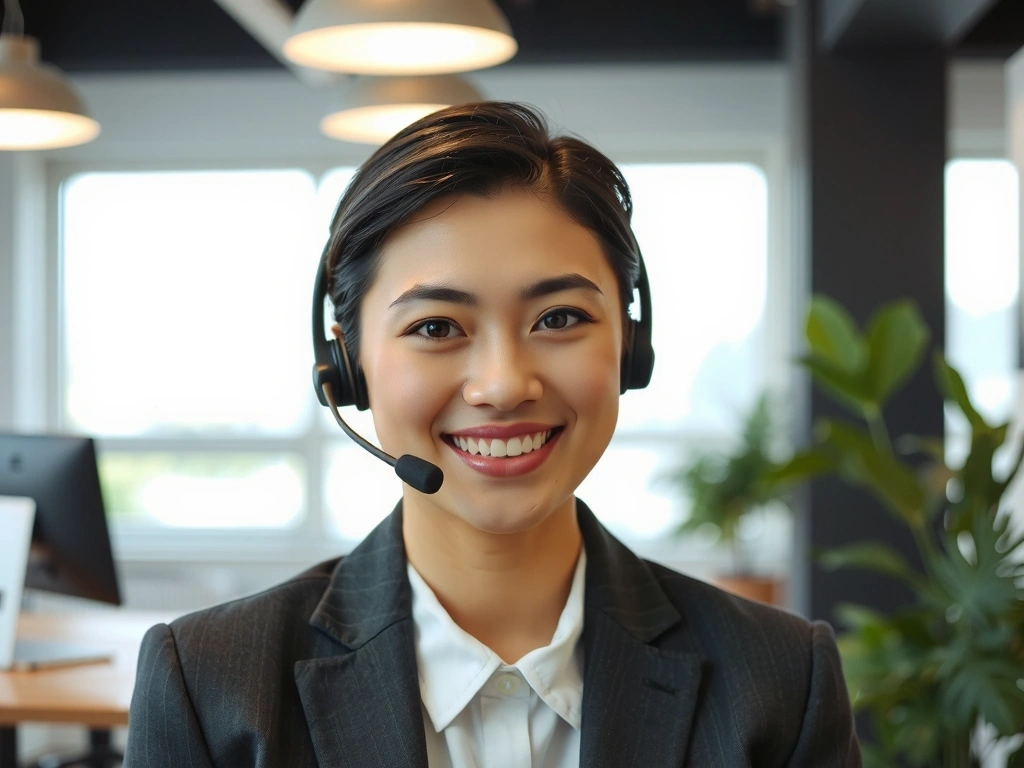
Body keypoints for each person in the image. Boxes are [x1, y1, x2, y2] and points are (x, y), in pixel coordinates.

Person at [124, 102, 861, 767]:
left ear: (630, 347)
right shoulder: (212, 685)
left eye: (560, 318)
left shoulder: (779, 683)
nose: (504, 384)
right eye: (436, 327)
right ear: (348, 366)